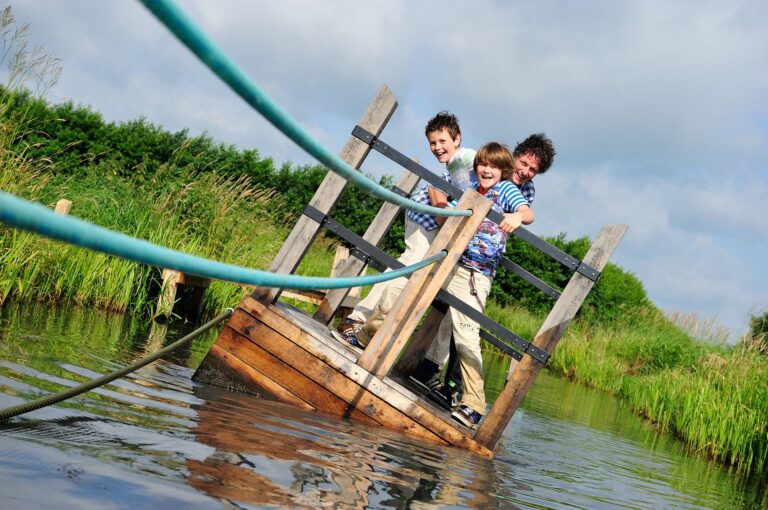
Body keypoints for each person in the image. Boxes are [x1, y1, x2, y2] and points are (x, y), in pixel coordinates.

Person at [338, 112, 535, 350]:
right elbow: (442, 191)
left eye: (442, 142)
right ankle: (358, 318)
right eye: (433, 143)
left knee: (417, 273)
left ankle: (376, 331)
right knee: (410, 264)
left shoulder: (473, 166)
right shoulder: (468, 158)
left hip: (441, 224)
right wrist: (444, 212)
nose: (437, 148)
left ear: (457, 139)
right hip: (426, 217)